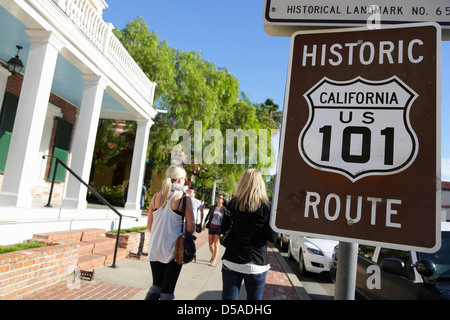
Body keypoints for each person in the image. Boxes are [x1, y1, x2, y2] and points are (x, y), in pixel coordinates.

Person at [220, 169, 278, 300]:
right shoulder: (268, 208)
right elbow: (273, 238)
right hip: (256, 263)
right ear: (261, 184)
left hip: (232, 260)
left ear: (242, 183)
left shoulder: (232, 204)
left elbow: (223, 229)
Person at [145, 165, 195, 300]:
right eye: (184, 179)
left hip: (155, 247)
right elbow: (191, 228)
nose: (184, 181)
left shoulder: (156, 197)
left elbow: (150, 226)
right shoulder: (184, 198)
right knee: (167, 292)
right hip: (174, 250)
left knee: (156, 286)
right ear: (179, 180)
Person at [203, 194, 226, 267]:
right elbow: (208, 215)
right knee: (210, 244)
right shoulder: (213, 207)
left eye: (220, 198)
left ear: (223, 200)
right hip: (211, 227)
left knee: (216, 244)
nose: (218, 199)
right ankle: (213, 255)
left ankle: (214, 260)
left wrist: (224, 231)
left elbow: (225, 221)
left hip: (219, 228)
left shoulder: (224, 209)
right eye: (218, 197)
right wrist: (204, 223)